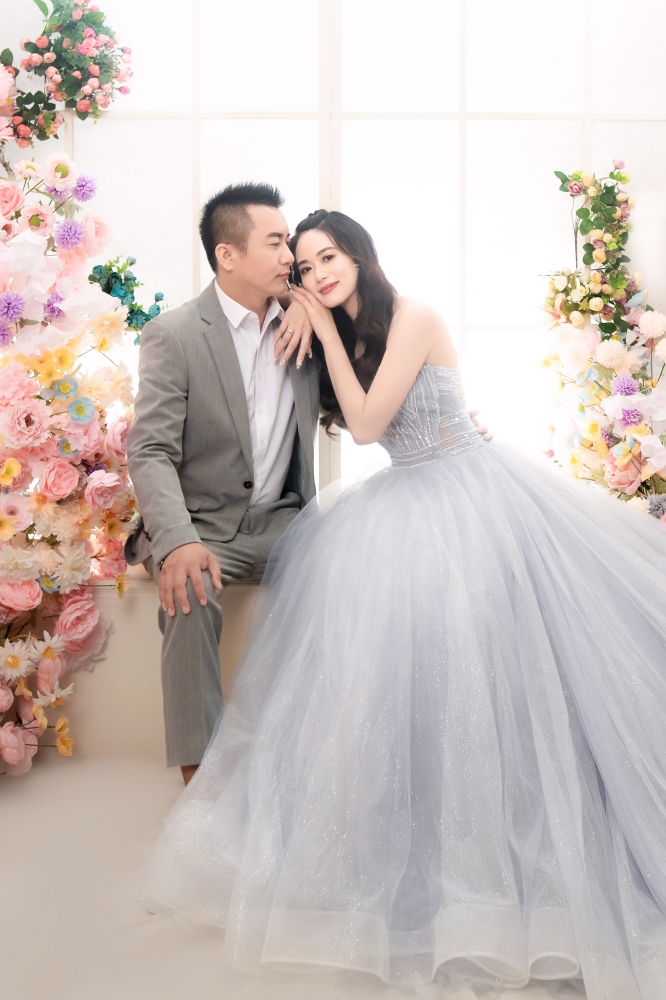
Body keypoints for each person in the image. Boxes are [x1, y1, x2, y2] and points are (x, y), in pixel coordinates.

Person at [141, 209, 666, 999]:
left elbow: (365, 425)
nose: (317, 274)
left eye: (329, 257)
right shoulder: (341, 336)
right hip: (405, 499)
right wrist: (308, 324)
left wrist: (318, 324)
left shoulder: (413, 317)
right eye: (304, 266)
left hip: (471, 494)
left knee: (485, 645)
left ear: (359, 255)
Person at [124, 183, 320, 783]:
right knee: (189, 592)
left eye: (289, 242)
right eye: (276, 242)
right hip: (202, 524)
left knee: (367, 576)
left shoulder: (309, 325)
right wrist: (178, 540)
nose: (290, 256)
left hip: (285, 522)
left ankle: (317, 764)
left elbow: (379, 360)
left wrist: (309, 307)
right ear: (227, 254)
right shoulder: (176, 333)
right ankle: (201, 785)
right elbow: (150, 449)